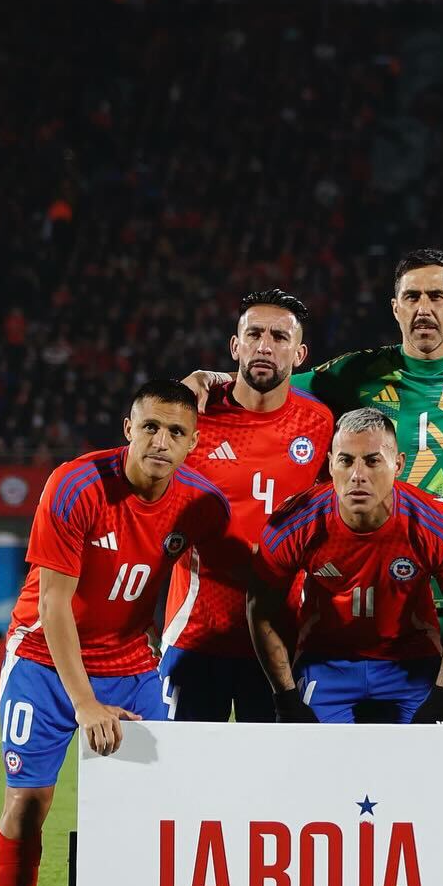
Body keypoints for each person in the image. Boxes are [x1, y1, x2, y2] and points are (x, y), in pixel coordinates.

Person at [190, 249, 443, 723]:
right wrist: (213, 379)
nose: (425, 307)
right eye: (412, 296)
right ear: (395, 306)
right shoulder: (356, 373)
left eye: (437, 296)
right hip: (377, 603)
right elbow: (267, 380)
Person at [0, 380, 232, 886]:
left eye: (176, 432)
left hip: (131, 661)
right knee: (30, 802)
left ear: (193, 443)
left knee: (165, 805)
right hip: (45, 659)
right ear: (128, 428)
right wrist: (85, 703)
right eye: (150, 427)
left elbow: (224, 577)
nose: (161, 441)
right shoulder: (76, 486)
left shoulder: (201, 503)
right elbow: (53, 605)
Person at [159, 289, 333, 722]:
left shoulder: (320, 422)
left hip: (281, 644)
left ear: (299, 354)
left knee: (273, 786)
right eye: (253, 334)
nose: (264, 345)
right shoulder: (192, 416)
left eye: (279, 337)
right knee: (183, 783)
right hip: (196, 639)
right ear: (235, 345)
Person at [248, 408, 443, 723]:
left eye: (373, 461)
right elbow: (259, 608)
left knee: (426, 767)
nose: (357, 475)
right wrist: (286, 698)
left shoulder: (435, 524)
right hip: (325, 662)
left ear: (398, 464)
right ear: (331, 463)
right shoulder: (293, 522)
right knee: (311, 766)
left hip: (411, 664)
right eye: (346, 460)